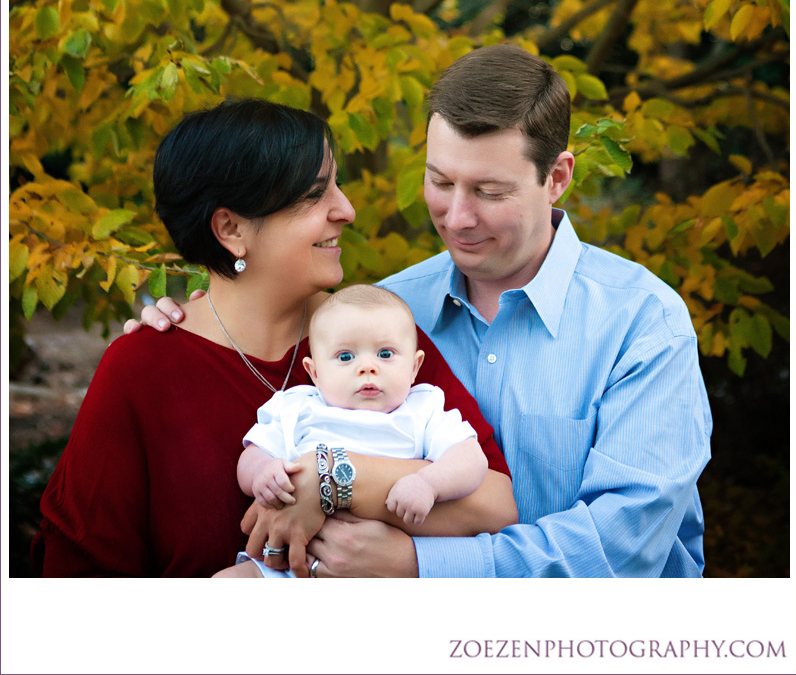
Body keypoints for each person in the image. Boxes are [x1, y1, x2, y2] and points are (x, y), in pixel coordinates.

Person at [138, 45, 713, 578]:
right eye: (439, 182)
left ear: (556, 178)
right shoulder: (387, 310)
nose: (456, 218)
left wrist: (419, 566)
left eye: (489, 191)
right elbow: (251, 325)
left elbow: (625, 548)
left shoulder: (641, 322)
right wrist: (178, 323)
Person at [32, 99, 515, 577]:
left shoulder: (378, 341)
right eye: (313, 195)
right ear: (231, 228)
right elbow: (79, 576)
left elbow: (493, 506)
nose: (346, 210)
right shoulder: (143, 368)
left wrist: (331, 482)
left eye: (338, 186)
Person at [220, 284, 498, 577]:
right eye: (345, 357)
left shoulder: (423, 409)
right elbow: (253, 453)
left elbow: (471, 459)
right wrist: (263, 472)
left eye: (386, 354)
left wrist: (429, 483)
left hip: (384, 561)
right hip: (295, 563)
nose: (368, 367)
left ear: (415, 367)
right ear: (314, 372)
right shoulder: (298, 407)